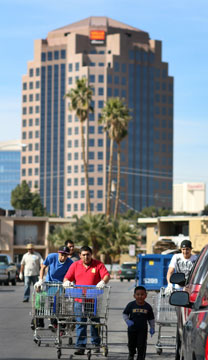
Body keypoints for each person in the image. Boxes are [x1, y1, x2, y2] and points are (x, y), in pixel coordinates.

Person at [63, 245, 110, 356]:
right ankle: (80, 347)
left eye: (88, 254)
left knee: (95, 323)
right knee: (80, 324)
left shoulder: (98, 265)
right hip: (79, 300)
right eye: (83, 255)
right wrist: (66, 283)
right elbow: (67, 277)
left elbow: (106, 276)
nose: (86, 257)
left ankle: (96, 345)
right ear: (79, 255)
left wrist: (102, 282)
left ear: (91, 255)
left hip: (93, 300)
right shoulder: (75, 265)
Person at [33, 245, 73, 330]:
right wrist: (40, 280)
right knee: (44, 300)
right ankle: (41, 321)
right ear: (58, 253)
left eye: (65, 255)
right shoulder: (51, 257)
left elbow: (72, 274)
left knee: (58, 302)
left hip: (61, 284)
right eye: (62, 254)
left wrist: (69, 282)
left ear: (68, 255)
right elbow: (43, 267)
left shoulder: (70, 262)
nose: (63, 257)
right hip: (49, 283)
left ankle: (54, 322)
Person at [123, 286, 155, 360]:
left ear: (145, 296)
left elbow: (151, 319)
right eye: (138, 294)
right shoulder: (131, 305)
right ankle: (131, 354)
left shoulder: (148, 307)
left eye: (142, 294)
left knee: (142, 345)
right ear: (134, 296)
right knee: (131, 344)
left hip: (142, 330)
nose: (140, 296)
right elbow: (125, 314)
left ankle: (141, 357)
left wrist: (152, 327)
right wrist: (127, 320)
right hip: (132, 329)